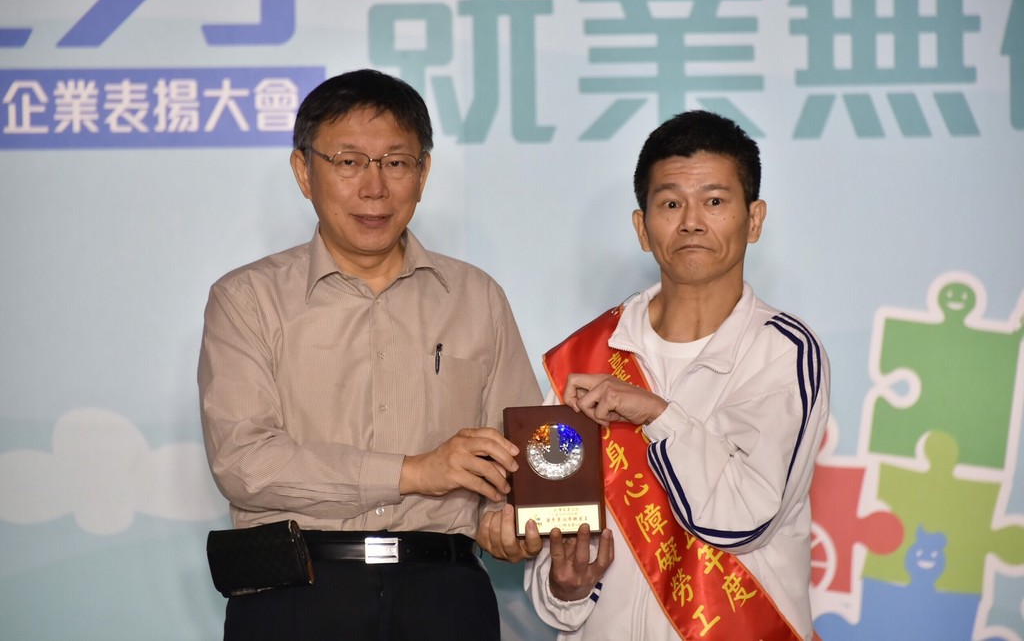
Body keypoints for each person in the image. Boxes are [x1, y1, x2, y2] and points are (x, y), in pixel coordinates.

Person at [198, 68, 542, 640]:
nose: (374, 187)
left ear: (423, 174)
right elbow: (245, 464)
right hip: (295, 595)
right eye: (349, 161)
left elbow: (517, 461)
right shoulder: (246, 299)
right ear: (303, 171)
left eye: (396, 162)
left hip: (444, 595)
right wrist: (415, 472)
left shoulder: (476, 297)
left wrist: (507, 522)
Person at [525, 110, 830, 640]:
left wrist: (656, 414)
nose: (691, 221)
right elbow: (556, 547)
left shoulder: (783, 352)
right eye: (670, 204)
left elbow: (743, 517)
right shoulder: (583, 358)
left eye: (714, 201)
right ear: (642, 228)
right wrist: (565, 588)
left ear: (754, 219)